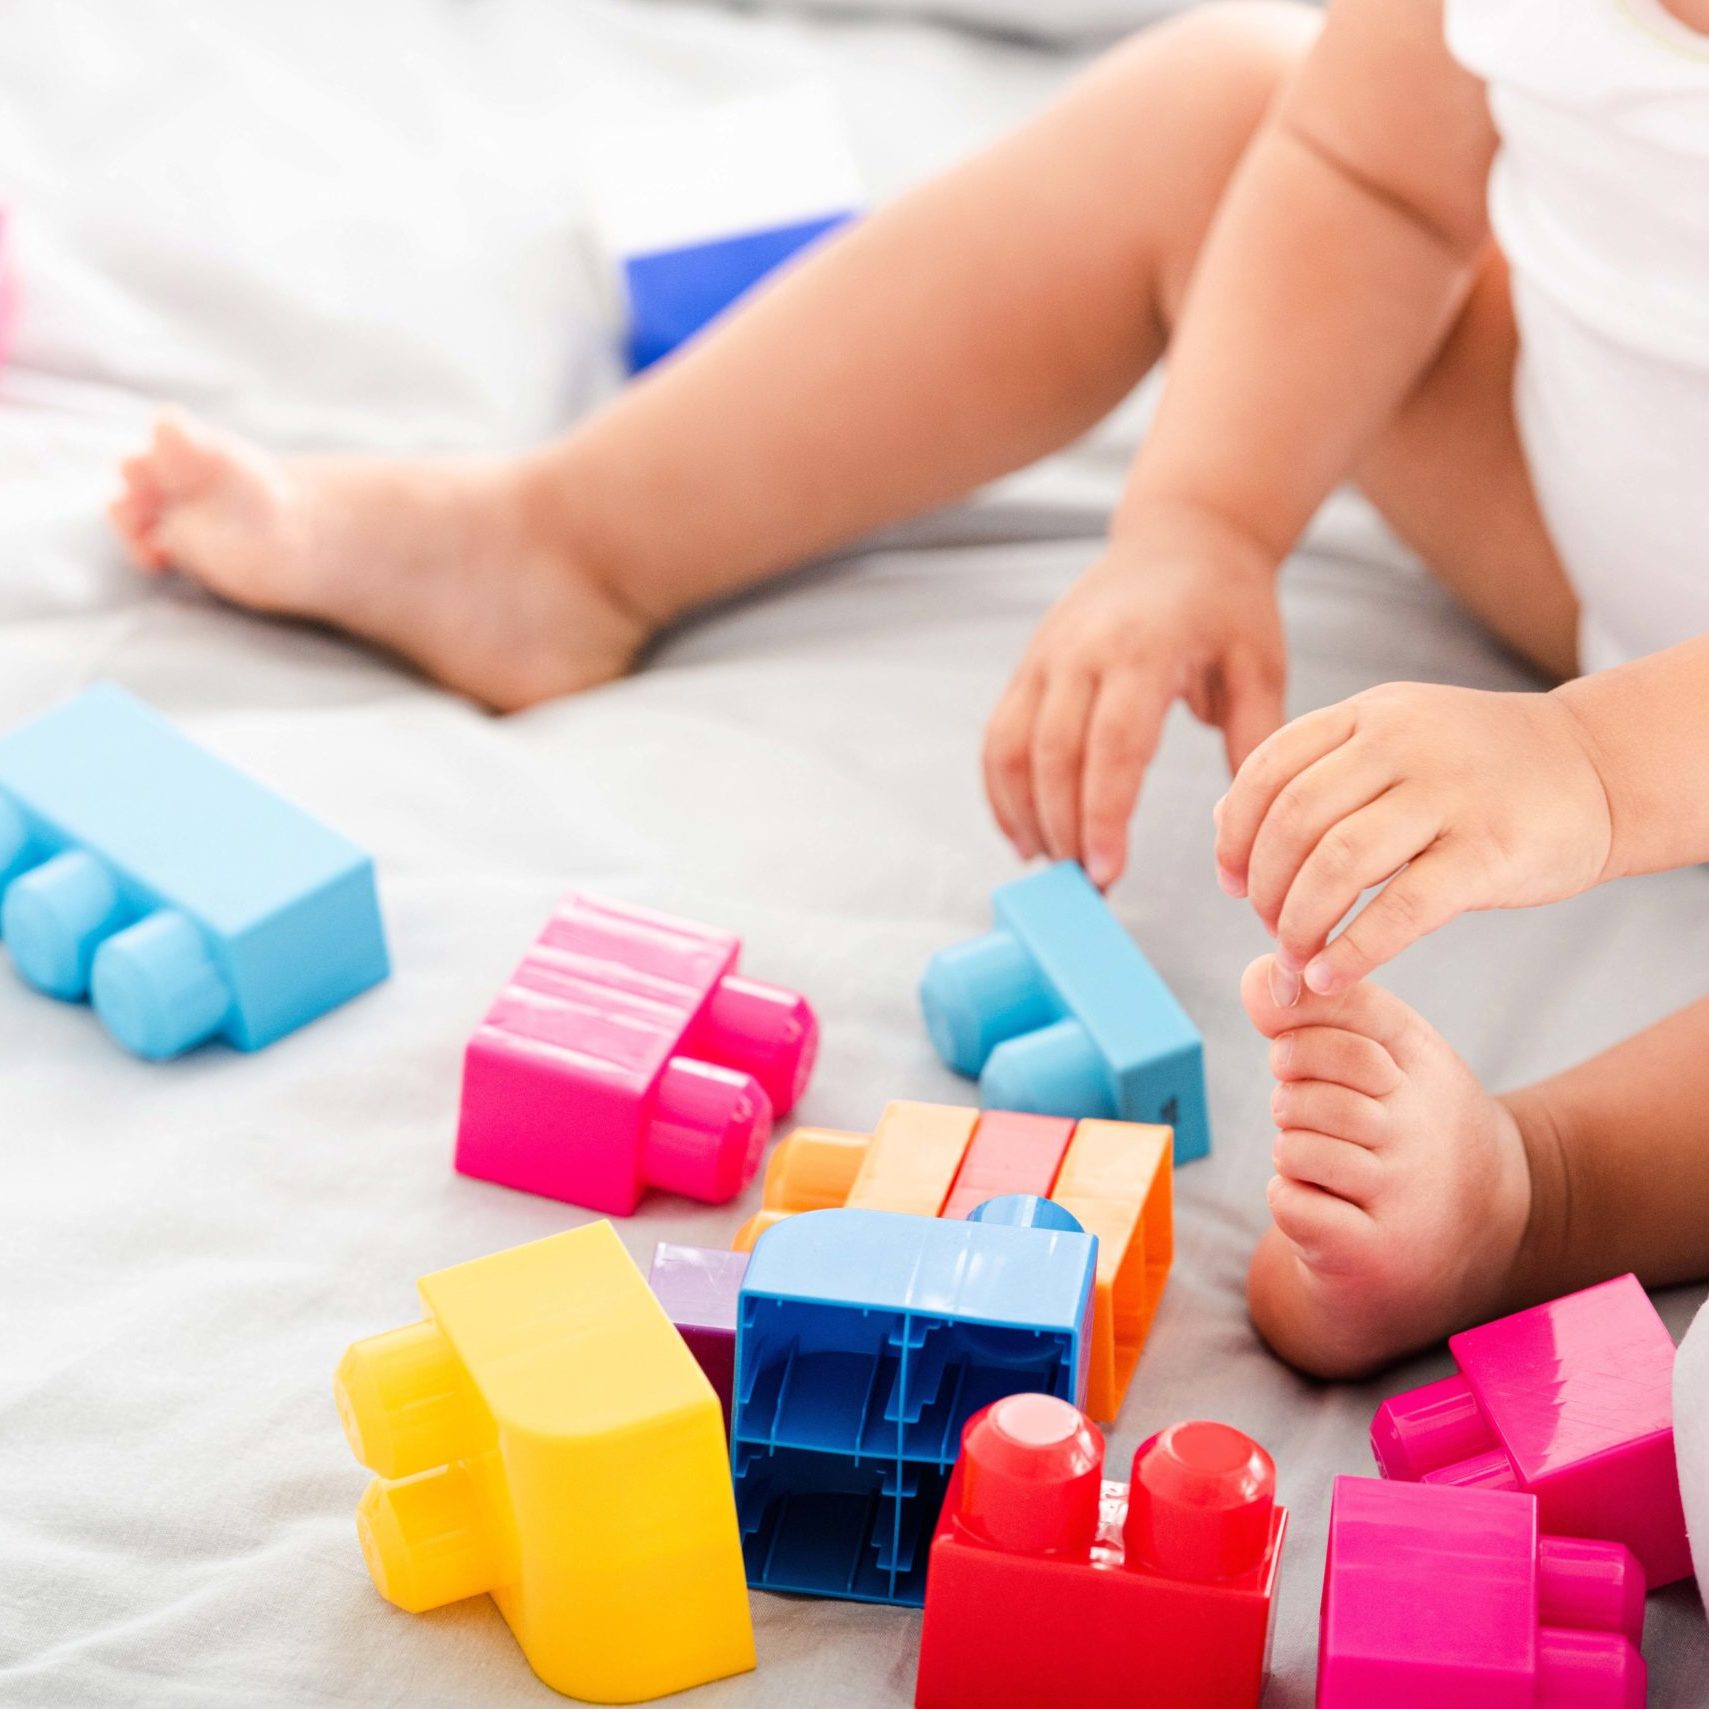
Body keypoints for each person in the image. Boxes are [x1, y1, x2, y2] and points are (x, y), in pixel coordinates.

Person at [108, 0, 1709, 1404]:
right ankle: (562, 540)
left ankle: (1532, 1188)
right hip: (1589, 539)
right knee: (1231, 106)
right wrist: (1198, 522)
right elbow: (1364, 178)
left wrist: (1583, 761)